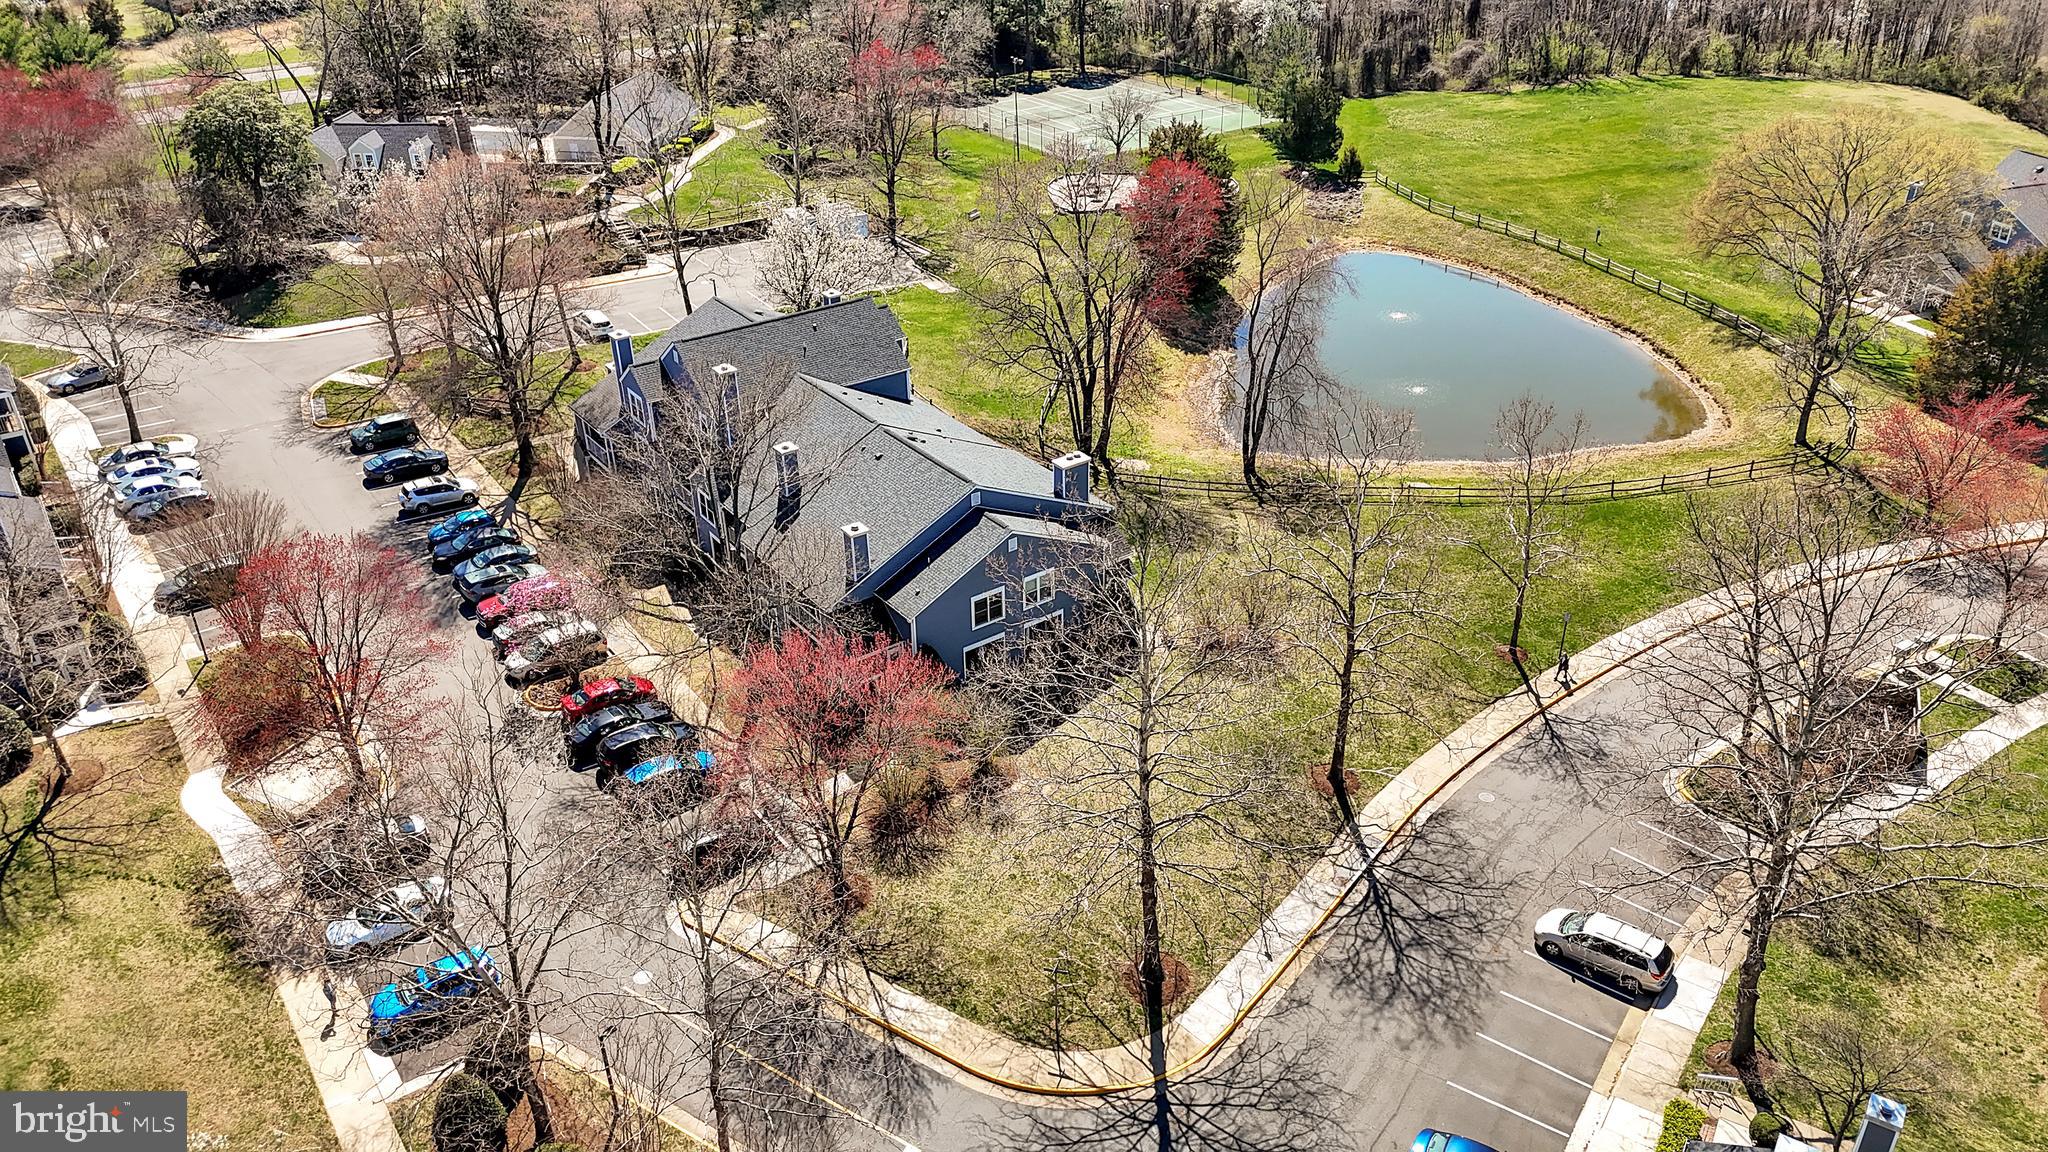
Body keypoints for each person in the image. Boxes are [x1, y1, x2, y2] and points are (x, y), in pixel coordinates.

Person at [320, 976, 338, 1040]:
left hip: (333, 994)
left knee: (334, 1003)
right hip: (330, 996)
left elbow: (332, 988)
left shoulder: (330, 985)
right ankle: (334, 1012)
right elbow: (327, 993)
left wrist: (334, 989)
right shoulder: (325, 989)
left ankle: (334, 1011)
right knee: (332, 1003)